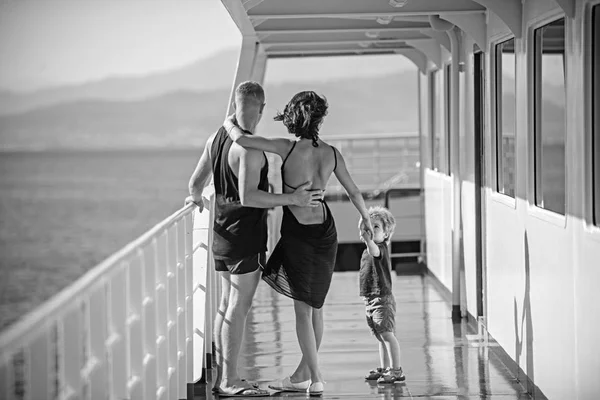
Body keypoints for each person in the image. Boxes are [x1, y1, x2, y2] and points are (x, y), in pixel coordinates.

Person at [223, 90, 373, 396]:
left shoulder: (286, 147)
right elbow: (355, 192)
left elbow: (243, 141)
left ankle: (315, 376)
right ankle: (302, 375)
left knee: (304, 311)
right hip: (326, 231)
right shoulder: (332, 153)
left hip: (300, 234)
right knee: (316, 307)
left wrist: (229, 123)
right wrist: (367, 221)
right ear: (319, 119)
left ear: (292, 118)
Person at [186, 81, 323, 397]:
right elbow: (249, 196)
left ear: (236, 104)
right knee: (238, 306)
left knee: (226, 305)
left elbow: (195, 184)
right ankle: (230, 381)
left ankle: (225, 376)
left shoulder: (215, 139)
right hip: (244, 237)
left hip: (220, 233)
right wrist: (293, 200)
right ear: (260, 108)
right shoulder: (250, 147)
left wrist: (196, 201)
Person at [358, 206, 405, 384]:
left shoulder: (379, 248)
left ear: (386, 234)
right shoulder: (367, 250)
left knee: (387, 334)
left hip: (382, 299)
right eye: (366, 225)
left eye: (375, 227)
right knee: (380, 336)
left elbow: (374, 252)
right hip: (371, 300)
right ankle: (386, 368)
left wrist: (369, 241)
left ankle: (396, 370)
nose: (370, 229)